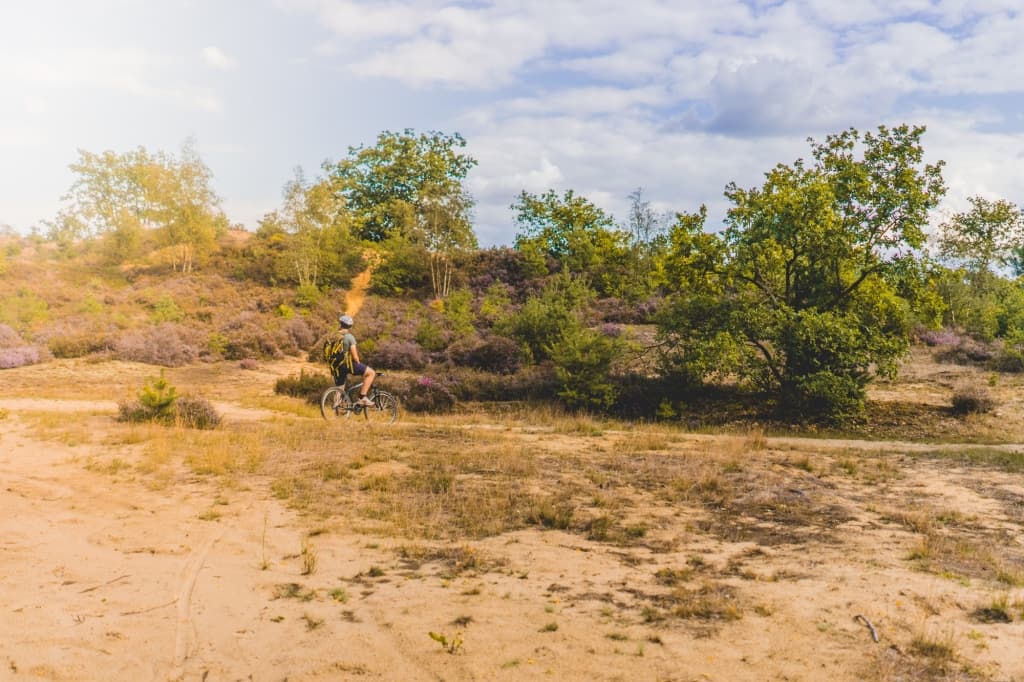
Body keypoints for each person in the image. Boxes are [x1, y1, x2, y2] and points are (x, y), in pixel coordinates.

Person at [323, 314, 376, 406]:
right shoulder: (349, 337)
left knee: (340, 387)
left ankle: (337, 406)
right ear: (350, 326)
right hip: (347, 365)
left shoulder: (334, 336)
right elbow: (355, 356)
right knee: (371, 373)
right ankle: (362, 398)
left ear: (340, 324)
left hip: (335, 366)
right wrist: (359, 364)